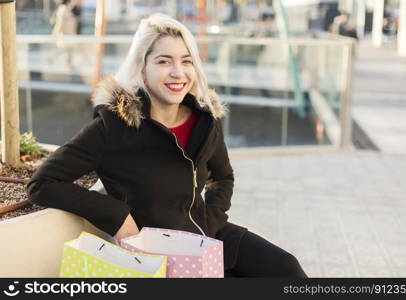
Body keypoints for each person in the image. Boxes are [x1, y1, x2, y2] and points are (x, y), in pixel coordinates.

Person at [27, 14, 307, 278]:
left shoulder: (205, 119)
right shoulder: (113, 127)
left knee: (285, 268)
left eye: (186, 61)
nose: (178, 72)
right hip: (155, 253)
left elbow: (222, 178)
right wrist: (117, 216)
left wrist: (209, 224)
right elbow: (42, 183)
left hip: (207, 236)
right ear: (142, 70)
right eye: (163, 61)